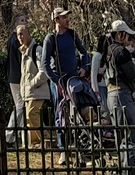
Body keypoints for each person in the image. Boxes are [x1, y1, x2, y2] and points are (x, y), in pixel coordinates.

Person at [104, 21, 135, 174]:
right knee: (132, 136)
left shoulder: (108, 50)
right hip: (122, 94)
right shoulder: (121, 52)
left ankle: (125, 169)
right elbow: (132, 75)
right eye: (128, 36)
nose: (129, 40)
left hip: (111, 94)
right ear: (119, 35)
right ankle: (131, 170)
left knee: (122, 137)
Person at [41, 8, 86, 151]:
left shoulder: (72, 34)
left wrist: (84, 67)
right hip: (58, 81)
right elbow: (45, 64)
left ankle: (79, 143)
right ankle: (63, 148)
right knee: (60, 113)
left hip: (73, 80)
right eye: (64, 17)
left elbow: (84, 52)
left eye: (67, 17)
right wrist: (56, 81)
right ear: (56, 20)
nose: (67, 20)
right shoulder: (50, 38)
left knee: (78, 112)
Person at [20, 24, 53, 148]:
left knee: (32, 114)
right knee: (29, 118)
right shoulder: (24, 51)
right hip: (28, 91)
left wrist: (33, 83)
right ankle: (36, 142)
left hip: (37, 90)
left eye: (22, 34)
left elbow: (43, 71)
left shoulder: (37, 50)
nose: (19, 37)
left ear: (28, 34)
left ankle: (46, 139)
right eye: (18, 34)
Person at [4, 23, 29, 141]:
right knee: (20, 105)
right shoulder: (17, 41)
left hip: (12, 76)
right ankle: (8, 135)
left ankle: (24, 135)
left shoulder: (10, 40)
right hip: (18, 77)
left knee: (21, 106)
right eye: (22, 20)